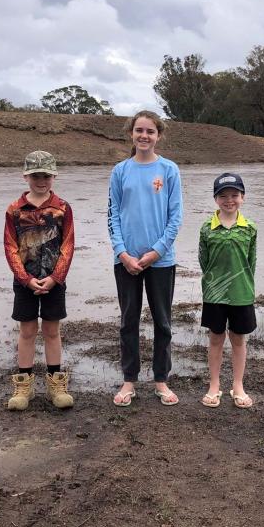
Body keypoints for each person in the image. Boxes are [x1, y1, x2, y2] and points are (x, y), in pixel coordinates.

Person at [107, 110, 183, 406]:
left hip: (161, 261)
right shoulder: (120, 171)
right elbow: (112, 215)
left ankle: (161, 380)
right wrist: (122, 253)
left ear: (158, 136)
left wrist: (156, 252)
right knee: (128, 321)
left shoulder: (169, 170)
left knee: (163, 322)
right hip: (125, 261)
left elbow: (175, 218)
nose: (144, 136)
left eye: (150, 131)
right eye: (139, 130)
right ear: (131, 134)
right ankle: (129, 380)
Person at [3, 150, 75, 410]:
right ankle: (24, 387)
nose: (41, 180)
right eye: (36, 175)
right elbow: (10, 247)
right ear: (26, 176)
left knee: (52, 331)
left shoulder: (63, 208)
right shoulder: (14, 210)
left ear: (53, 176)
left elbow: (68, 246)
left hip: (54, 281)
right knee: (27, 332)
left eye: (46, 175)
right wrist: (25, 278)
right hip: (25, 283)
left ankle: (56, 385)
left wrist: (56, 277)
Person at [198, 172, 257, 409]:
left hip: (242, 293)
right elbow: (203, 259)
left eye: (234, 195)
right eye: (223, 195)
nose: (229, 200)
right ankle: (214, 386)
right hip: (214, 293)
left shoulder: (250, 228)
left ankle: (238, 385)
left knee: (239, 340)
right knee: (215, 339)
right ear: (215, 199)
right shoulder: (206, 228)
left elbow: (251, 261)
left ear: (242, 197)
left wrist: (242, 281)